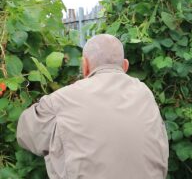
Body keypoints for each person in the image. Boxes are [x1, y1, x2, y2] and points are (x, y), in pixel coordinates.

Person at [17, 34, 169, 179]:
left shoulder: (61, 100)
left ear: (85, 65)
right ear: (125, 66)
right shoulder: (144, 94)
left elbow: (26, 134)